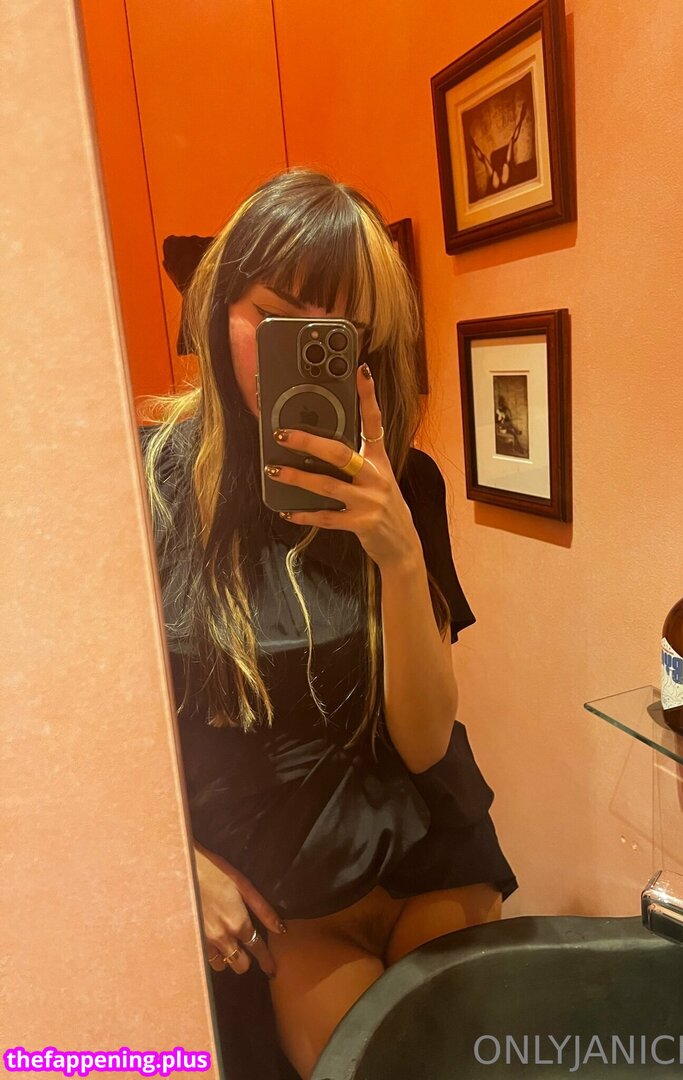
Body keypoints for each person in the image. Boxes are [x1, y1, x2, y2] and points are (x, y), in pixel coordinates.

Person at [138, 166, 518, 1080]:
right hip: (285, 872)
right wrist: (175, 857)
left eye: (331, 335)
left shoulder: (407, 481)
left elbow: (425, 741)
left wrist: (399, 553)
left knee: (465, 1058)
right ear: (217, 308)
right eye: (271, 318)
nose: (296, 353)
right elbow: (87, 729)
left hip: (429, 836)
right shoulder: (148, 484)